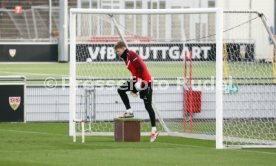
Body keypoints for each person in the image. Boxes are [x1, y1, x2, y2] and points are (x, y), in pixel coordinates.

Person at [114, 41, 159, 142]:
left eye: (118, 51)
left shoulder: (131, 54)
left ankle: (154, 130)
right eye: (117, 52)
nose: (118, 53)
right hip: (136, 81)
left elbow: (140, 68)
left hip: (145, 82)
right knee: (121, 90)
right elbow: (134, 71)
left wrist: (139, 81)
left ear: (123, 48)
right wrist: (134, 84)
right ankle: (129, 111)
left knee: (148, 107)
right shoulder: (125, 58)